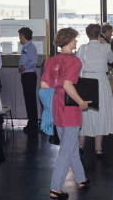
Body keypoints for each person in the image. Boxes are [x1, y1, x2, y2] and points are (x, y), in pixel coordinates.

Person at [40, 28, 90, 200]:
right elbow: (68, 85)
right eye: (75, 39)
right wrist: (81, 102)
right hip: (70, 110)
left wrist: (59, 87)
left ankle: (81, 178)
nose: (76, 42)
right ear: (69, 41)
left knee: (70, 146)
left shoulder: (51, 60)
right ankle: (55, 189)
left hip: (56, 108)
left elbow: (45, 85)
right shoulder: (75, 62)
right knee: (66, 151)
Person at [77, 24, 113, 157]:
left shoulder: (83, 48)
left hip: (86, 80)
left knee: (85, 111)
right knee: (101, 111)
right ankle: (98, 147)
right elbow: (112, 59)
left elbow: (77, 63)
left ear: (87, 34)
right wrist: (105, 42)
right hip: (101, 80)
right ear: (100, 33)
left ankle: (80, 144)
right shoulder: (106, 47)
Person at [18, 27, 39, 133]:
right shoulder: (26, 47)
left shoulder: (30, 47)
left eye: (20, 36)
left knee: (30, 100)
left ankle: (33, 124)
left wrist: (24, 67)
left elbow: (34, 61)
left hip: (29, 76)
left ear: (23, 36)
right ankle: (32, 122)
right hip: (26, 76)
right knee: (28, 100)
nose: (19, 38)